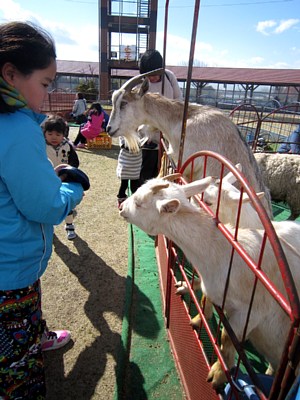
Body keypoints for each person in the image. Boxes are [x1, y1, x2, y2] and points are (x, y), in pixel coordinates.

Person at [0, 21, 84, 399]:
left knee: (25, 313)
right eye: (46, 84)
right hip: (9, 268)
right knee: (17, 369)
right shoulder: (15, 129)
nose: (47, 96)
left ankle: (35, 336)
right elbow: (46, 207)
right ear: (11, 73)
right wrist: (71, 187)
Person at [138, 49, 182, 183]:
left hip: (169, 129)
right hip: (149, 132)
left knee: (165, 166)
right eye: (148, 75)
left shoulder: (169, 77)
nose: (151, 78)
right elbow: (140, 109)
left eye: (154, 75)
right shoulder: (142, 82)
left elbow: (178, 100)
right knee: (147, 168)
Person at [43, 115, 80, 240]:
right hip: (46, 181)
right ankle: (49, 228)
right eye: (50, 133)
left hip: (64, 180)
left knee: (65, 203)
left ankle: (69, 225)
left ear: (63, 134)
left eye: (58, 134)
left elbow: (75, 163)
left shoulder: (67, 146)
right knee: (47, 204)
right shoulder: (41, 146)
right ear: (45, 133)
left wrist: (65, 175)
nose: (54, 137)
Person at [116, 136, 142, 209]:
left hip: (136, 161)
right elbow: (123, 145)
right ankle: (122, 199)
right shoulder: (123, 134)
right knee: (124, 184)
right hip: (126, 160)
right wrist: (136, 144)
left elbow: (143, 140)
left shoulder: (139, 132)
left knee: (134, 185)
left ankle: (135, 201)